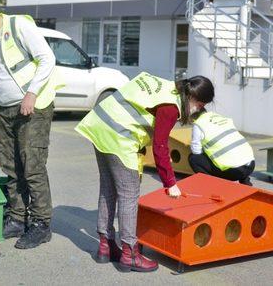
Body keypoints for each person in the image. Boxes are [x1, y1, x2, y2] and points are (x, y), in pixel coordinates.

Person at [75, 72, 214, 272]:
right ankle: (129, 254)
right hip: (119, 137)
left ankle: (105, 246)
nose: (196, 111)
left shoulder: (166, 86)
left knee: (108, 190)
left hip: (100, 126)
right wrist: (170, 183)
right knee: (129, 195)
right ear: (194, 99)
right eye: (200, 106)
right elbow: (160, 147)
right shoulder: (170, 107)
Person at [0, 6, 63, 249]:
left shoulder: (18, 26)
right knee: (10, 165)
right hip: (5, 111)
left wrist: (32, 93)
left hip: (32, 107)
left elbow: (48, 59)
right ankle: (17, 218)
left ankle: (41, 224)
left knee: (32, 165)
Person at [188, 110, 255, 186]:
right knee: (234, 150)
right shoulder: (221, 118)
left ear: (192, 117)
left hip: (234, 172)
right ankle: (245, 181)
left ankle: (211, 185)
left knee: (193, 158)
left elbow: (196, 151)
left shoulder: (198, 124)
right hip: (251, 165)